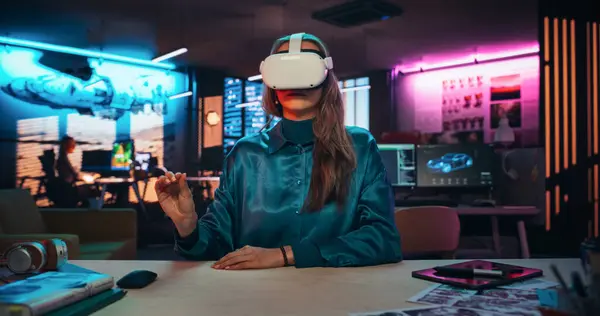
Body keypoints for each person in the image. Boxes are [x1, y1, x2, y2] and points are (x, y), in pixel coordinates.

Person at [155, 32, 402, 269]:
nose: (296, 81)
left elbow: (383, 238)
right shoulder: (245, 154)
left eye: (306, 69)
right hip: (253, 298)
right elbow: (217, 245)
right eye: (285, 71)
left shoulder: (359, 147)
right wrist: (188, 227)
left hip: (337, 292)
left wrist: (286, 255)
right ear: (272, 82)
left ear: (325, 79)